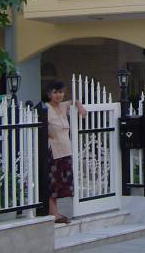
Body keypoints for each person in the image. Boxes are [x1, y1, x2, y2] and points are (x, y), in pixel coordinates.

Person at [46, 79, 87, 223]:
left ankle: (57, 213)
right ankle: (54, 214)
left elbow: (73, 102)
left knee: (63, 185)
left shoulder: (62, 107)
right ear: (49, 94)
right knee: (53, 184)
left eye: (60, 92)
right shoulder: (46, 109)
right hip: (54, 152)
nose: (58, 95)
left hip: (66, 151)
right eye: (55, 92)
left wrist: (80, 106)